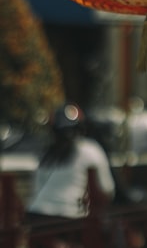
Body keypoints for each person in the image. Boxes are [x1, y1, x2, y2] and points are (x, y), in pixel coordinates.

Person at [24, 103, 115, 244]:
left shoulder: (46, 155)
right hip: (68, 220)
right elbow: (107, 188)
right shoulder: (90, 149)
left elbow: (35, 188)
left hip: (36, 217)